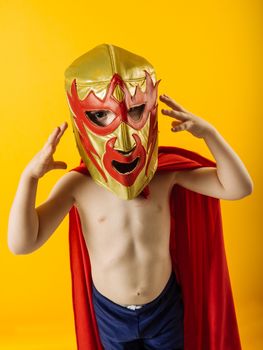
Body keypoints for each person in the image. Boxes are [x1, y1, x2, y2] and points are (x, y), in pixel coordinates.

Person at [8, 44, 253, 350]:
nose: (123, 138)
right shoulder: (77, 186)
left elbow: (238, 188)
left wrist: (210, 135)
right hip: (111, 314)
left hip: (163, 307)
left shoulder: (165, 175)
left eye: (136, 110)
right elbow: (22, 243)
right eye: (100, 115)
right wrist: (29, 178)